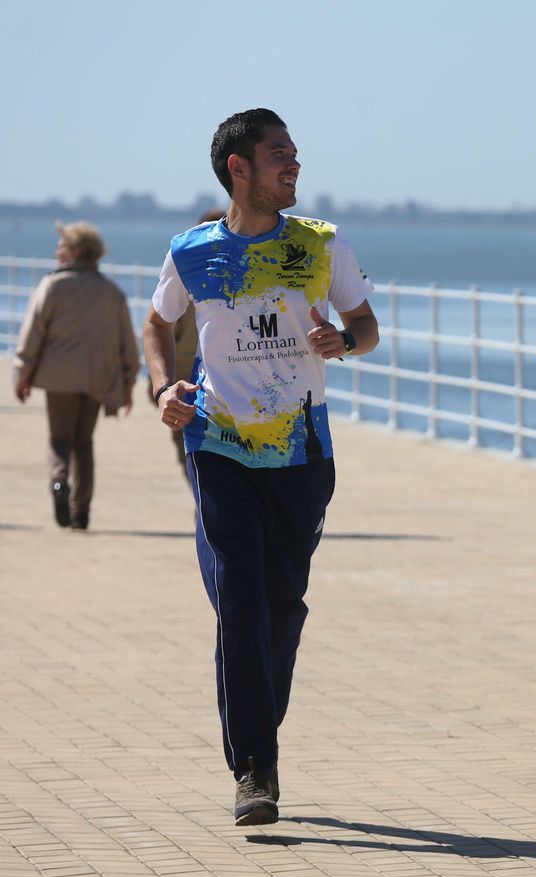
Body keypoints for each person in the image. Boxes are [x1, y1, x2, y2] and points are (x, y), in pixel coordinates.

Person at [142, 109, 380, 827]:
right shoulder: (191, 251)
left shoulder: (322, 245)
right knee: (241, 602)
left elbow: (366, 325)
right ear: (238, 169)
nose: (294, 166)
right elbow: (157, 323)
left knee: (281, 607)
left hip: (302, 455)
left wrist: (344, 341)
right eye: (280, 156)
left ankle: (256, 736)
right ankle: (255, 767)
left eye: (296, 155)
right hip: (219, 447)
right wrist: (163, 387)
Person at [11, 221, 139, 531]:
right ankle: (80, 513)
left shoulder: (52, 285)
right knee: (83, 443)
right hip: (97, 378)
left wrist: (22, 373)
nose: (57, 252)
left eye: (62, 247)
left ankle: (58, 483)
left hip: (59, 377)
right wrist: (128, 383)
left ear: (76, 251)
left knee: (59, 439)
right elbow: (128, 342)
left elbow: (33, 334)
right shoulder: (112, 292)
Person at [150, 208, 228, 486]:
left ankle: (203, 496)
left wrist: (159, 386)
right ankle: (207, 497)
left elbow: (162, 329)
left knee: (188, 447)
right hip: (214, 386)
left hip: (184, 383)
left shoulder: (188, 276)